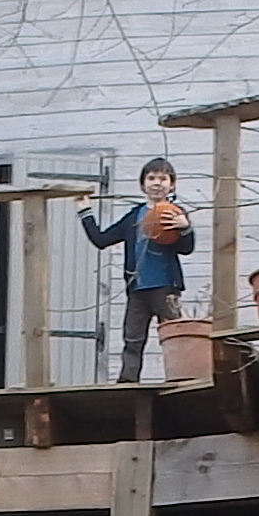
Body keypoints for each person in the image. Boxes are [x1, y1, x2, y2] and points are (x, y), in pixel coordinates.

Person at [82, 157, 197, 384]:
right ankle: (127, 383)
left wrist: (185, 228)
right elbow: (101, 239)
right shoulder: (133, 216)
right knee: (133, 339)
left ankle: (182, 378)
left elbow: (186, 249)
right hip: (137, 289)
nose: (157, 183)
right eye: (151, 178)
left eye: (163, 178)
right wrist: (84, 210)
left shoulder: (174, 212)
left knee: (175, 335)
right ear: (143, 184)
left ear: (172, 184)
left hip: (166, 287)